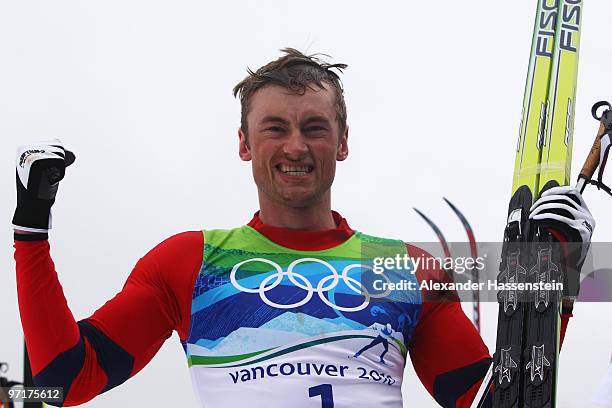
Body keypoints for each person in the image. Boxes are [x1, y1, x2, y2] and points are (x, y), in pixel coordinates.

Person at [13, 48, 595, 407]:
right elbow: (65, 381)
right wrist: (30, 229)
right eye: (275, 128)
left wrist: (554, 280)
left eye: (315, 127)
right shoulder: (189, 261)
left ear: (342, 142)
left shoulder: (408, 269)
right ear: (244, 143)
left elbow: (499, 403)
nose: (296, 146)